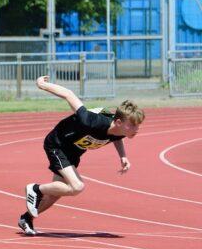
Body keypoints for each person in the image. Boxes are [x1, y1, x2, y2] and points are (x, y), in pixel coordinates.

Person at [19, 75, 145, 235]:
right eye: (132, 126)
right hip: (57, 145)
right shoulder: (91, 121)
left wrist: (123, 156)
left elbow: (117, 137)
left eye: (138, 126)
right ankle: (35, 189)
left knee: (57, 193)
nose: (136, 129)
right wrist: (42, 85)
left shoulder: (120, 131)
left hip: (73, 152)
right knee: (77, 187)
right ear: (119, 123)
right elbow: (69, 94)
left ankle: (26, 218)